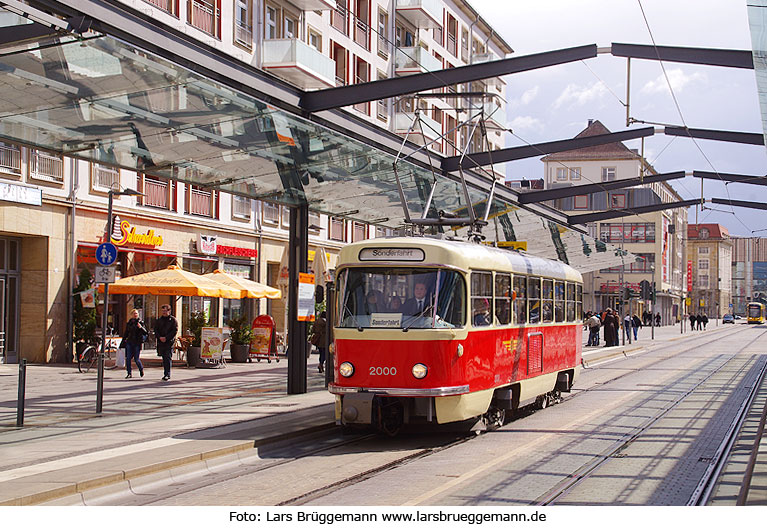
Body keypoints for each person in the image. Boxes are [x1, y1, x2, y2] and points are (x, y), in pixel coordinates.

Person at [154, 304, 178, 381]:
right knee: (164, 358)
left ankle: (167, 374)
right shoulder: (159, 320)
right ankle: (165, 372)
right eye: (162, 311)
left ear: (169, 311)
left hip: (169, 342)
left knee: (167, 357)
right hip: (161, 342)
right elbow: (156, 330)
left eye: (165, 311)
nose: (163, 312)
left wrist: (166, 338)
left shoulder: (173, 320)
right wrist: (159, 337)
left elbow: (174, 331)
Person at [122, 309, 147, 379]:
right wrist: (122, 342)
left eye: (136, 313)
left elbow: (145, 332)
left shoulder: (140, 323)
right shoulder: (129, 323)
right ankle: (129, 373)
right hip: (129, 342)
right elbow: (126, 333)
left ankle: (141, 369)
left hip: (137, 343)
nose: (135, 315)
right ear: (131, 315)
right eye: (134, 313)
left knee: (136, 358)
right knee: (128, 358)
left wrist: (140, 327)